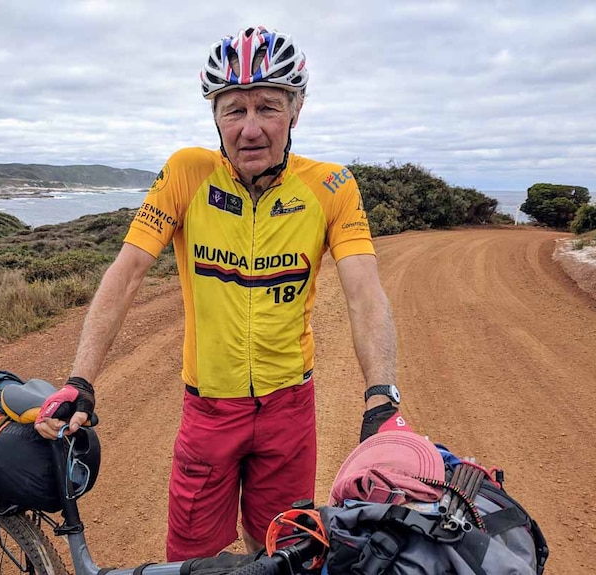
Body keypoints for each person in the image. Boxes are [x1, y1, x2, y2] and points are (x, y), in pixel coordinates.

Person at [35, 25, 409, 561]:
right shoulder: (188, 173)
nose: (250, 128)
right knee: (192, 560)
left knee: (284, 553)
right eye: (234, 109)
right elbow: (127, 271)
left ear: (296, 110)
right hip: (209, 410)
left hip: (289, 408)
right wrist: (80, 380)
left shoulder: (331, 186)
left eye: (268, 107)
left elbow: (364, 292)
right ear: (215, 115)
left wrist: (381, 395)